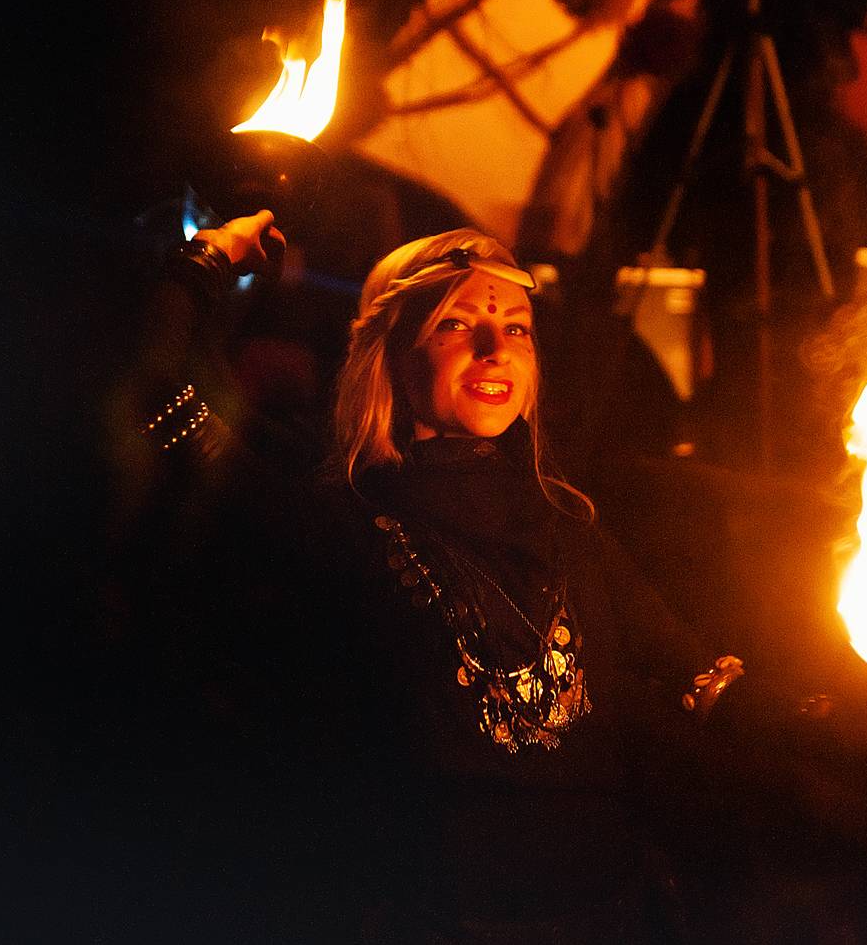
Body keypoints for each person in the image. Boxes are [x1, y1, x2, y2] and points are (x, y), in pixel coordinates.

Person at [116, 209, 812, 941]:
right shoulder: (331, 518)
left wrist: (810, 716)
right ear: (389, 352)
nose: (495, 349)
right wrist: (208, 258)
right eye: (456, 324)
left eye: (516, 327)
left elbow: (693, 672)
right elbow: (161, 393)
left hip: (610, 915)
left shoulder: (567, 523)